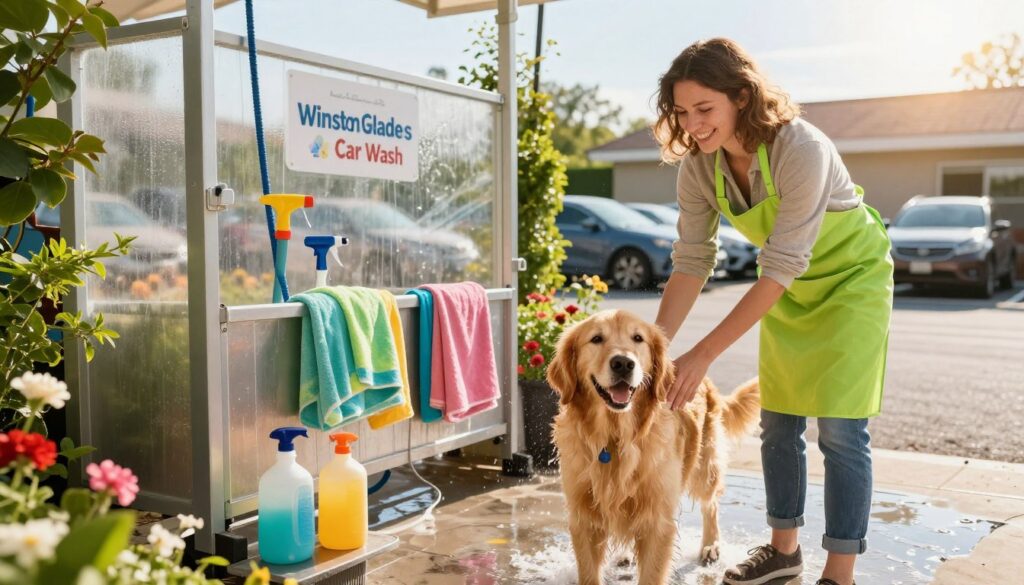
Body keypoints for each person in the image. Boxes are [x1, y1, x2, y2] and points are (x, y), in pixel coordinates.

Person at [651, 38, 893, 585]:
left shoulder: (800, 147)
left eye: (705, 109)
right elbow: (692, 261)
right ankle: (784, 553)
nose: (693, 124)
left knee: (839, 430)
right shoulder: (698, 168)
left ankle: (839, 572)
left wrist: (703, 355)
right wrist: (656, 352)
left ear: (742, 96)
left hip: (851, 283)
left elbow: (781, 262)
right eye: (683, 112)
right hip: (786, 287)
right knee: (778, 425)